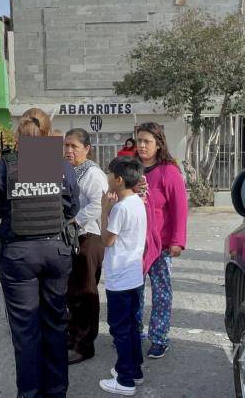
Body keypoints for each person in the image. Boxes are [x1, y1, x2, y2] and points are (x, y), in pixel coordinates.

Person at [0, 110, 80, 398]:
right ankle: (57, 392)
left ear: (18, 136)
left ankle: (30, 393)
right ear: (47, 134)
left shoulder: (4, 166)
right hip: (56, 252)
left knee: (25, 331)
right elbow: (73, 207)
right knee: (55, 325)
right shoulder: (60, 165)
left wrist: (8, 207)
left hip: (19, 256)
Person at [134, 122, 188, 359]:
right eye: (139, 141)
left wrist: (177, 240)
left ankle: (159, 338)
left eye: (147, 141)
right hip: (134, 245)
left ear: (158, 144)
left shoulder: (169, 171)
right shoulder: (131, 168)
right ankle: (134, 333)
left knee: (161, 293)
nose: (142, 145)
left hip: (161, 246)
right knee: (134, 292)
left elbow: (180, 209)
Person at [99, 156, 147, 396]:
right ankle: (133, 370)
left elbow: (107, 240)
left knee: (120, 329)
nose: (107, 177)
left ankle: (125, 380)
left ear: (118, 180)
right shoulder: (137, 202)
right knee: (131, 327)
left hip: (119, 278)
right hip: (134, 277)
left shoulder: (119, 208)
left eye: (109, 174)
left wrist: (104, 209)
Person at [63, 128, 109, 364]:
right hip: (72, 238)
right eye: (66, 145)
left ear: (87, 148)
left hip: (88, 238)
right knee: (72, 293)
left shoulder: (93, 173)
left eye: (74, 146)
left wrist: (75, 220)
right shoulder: (68, 170)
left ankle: (84, 345)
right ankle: (73, 337)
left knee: (85, 293)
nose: (69, 150)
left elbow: (99, 204)